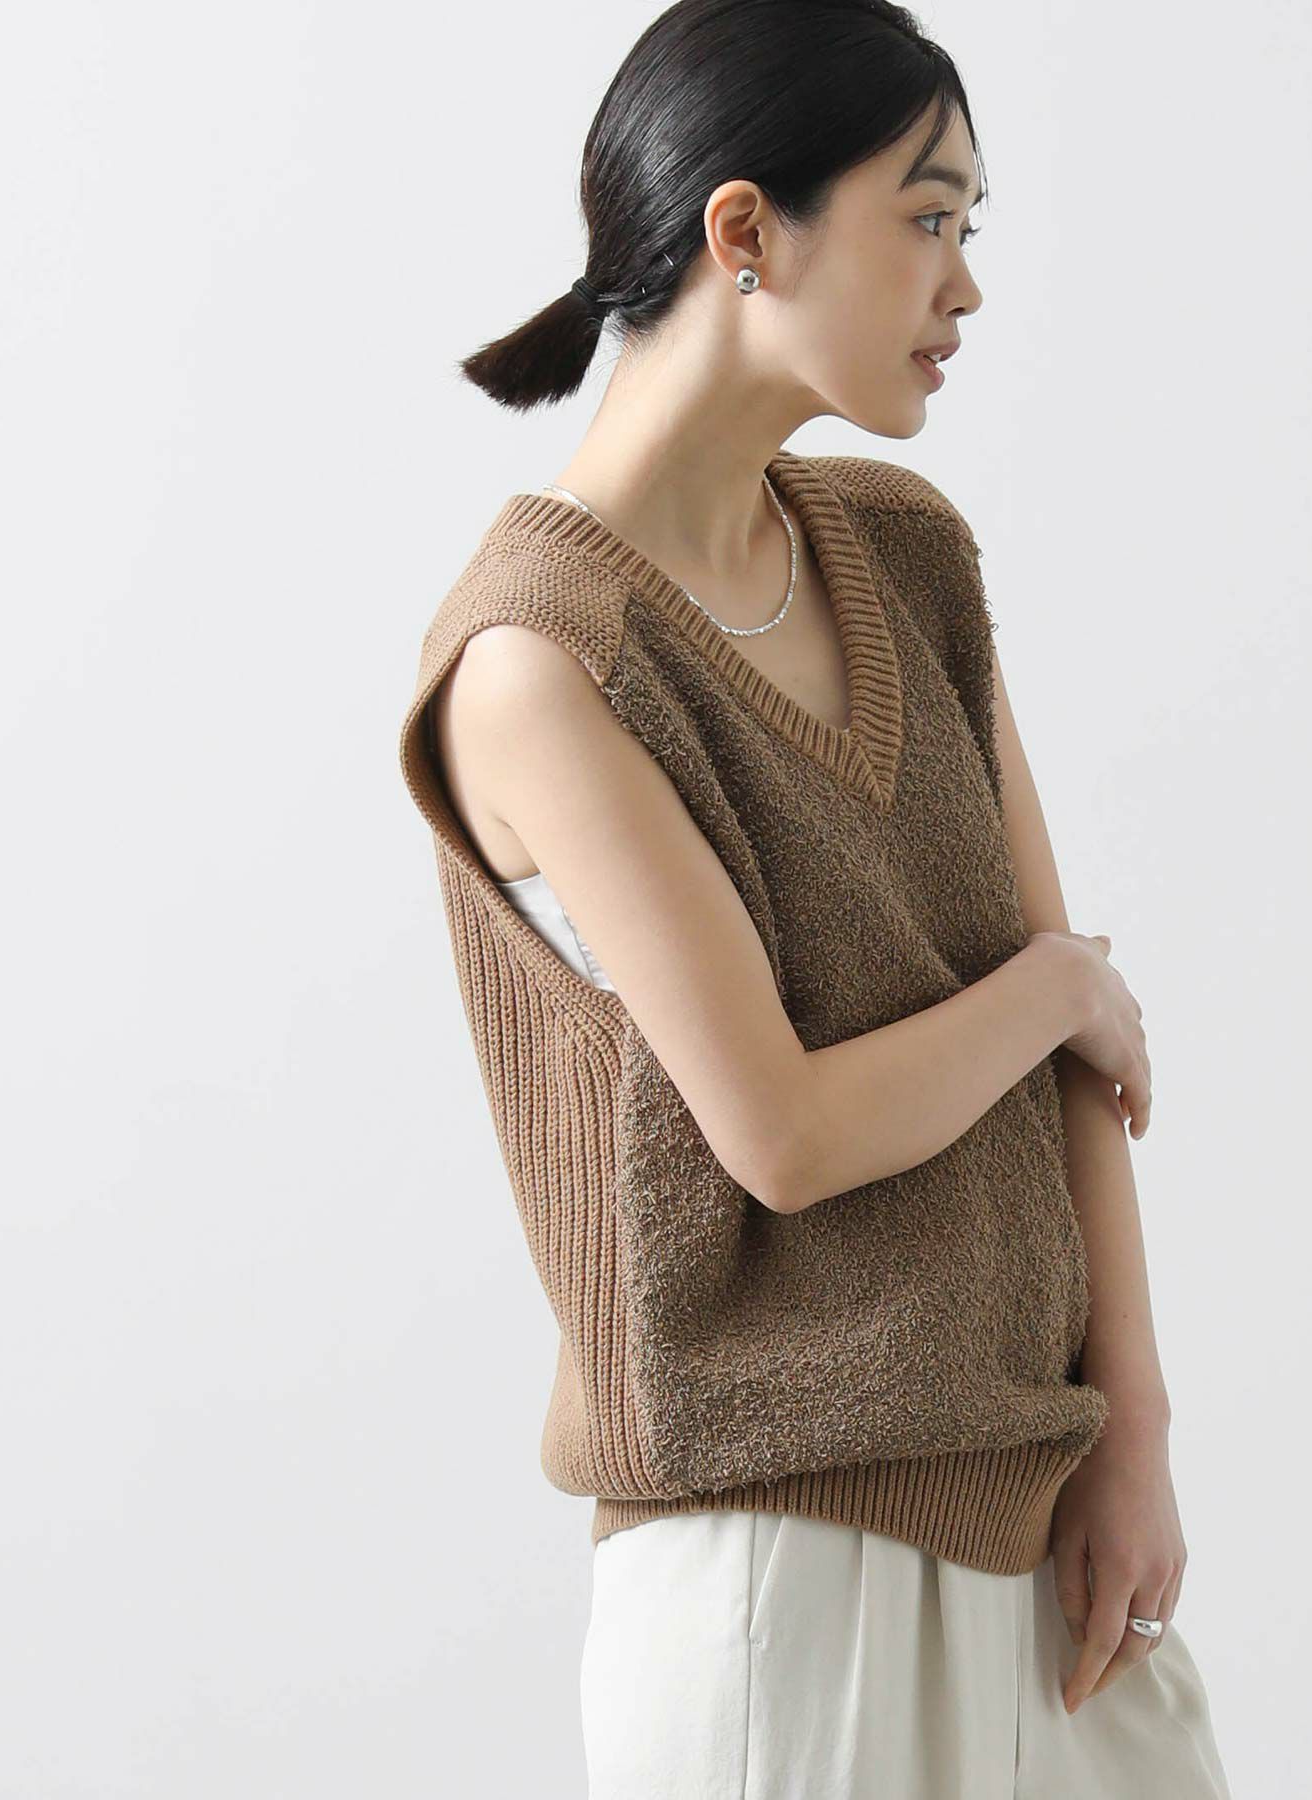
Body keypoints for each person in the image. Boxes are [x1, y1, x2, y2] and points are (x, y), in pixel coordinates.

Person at [396, 2, 1234, 1794]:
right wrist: (1060, 988)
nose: (966, 284)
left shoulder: (907, 555)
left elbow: (1066, 1036)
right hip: (778, 1580)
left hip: (1043, 1529)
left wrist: (1137, 1427)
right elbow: (782, 1132)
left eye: (971, 227)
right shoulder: (541, 660)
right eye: (927, 218)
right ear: (746, 231)